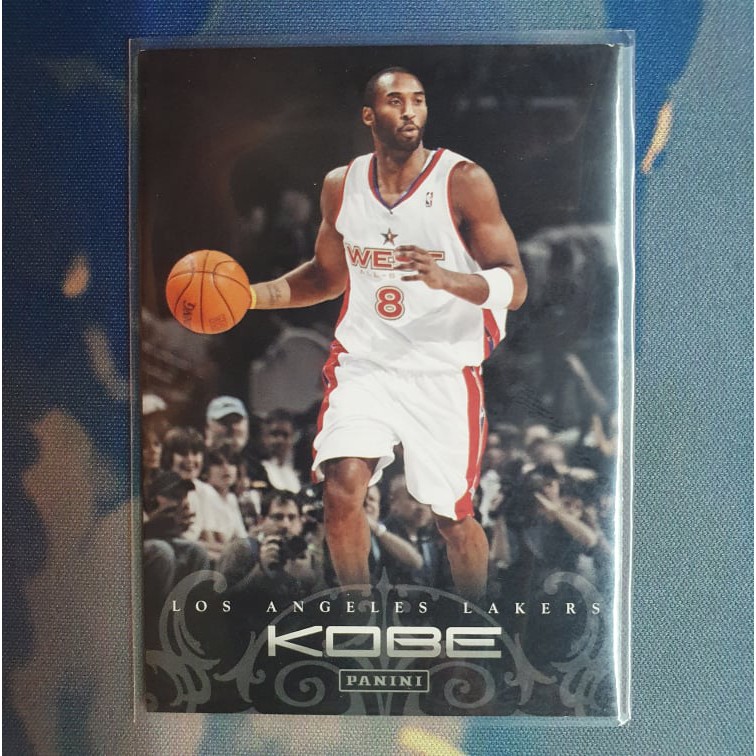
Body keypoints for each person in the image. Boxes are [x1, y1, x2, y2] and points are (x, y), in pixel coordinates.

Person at [246, 67, 527, 602]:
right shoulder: (341, 186)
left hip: (441, 368)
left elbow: (515, 286)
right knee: (341, 489)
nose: (410, 111)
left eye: (418, 100)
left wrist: (448, 279)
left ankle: (474, 617)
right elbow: (325, 277)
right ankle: (358, 615)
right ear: (369, 115)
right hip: (367, 362)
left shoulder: (463, 181)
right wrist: (250, 295)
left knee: (453, 520)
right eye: (396, 101)